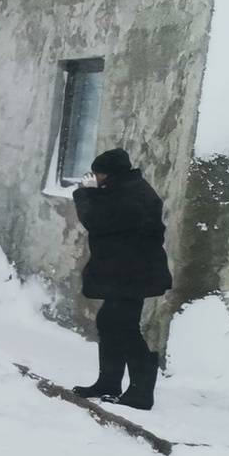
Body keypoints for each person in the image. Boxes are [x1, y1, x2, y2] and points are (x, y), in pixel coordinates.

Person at [71, 146, 172, 411]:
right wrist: (96, 192)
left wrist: (85, 193)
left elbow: (97, 220)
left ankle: (141, 390)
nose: (96, 179)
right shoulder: (125, 189)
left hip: (134, 273)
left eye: (99, 174)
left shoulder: (132, 195)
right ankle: (109, 382)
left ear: (110, 174)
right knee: (111, 321)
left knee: (123, 325)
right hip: (130, 272)